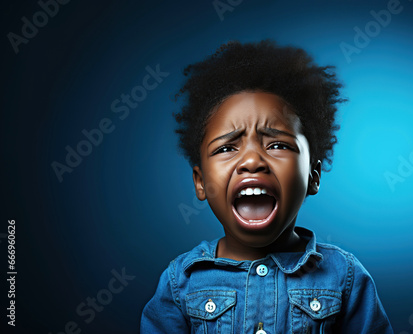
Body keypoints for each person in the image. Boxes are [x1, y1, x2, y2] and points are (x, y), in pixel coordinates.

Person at [141, 40, 393, 333]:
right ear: (200, 182)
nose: (251, 160)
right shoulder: (180, 282)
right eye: (226, 148)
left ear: (313, 176)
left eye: (277, 144)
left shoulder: (345, 277)